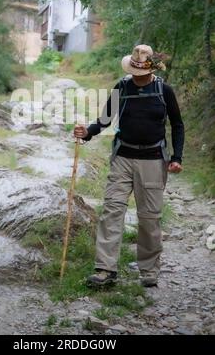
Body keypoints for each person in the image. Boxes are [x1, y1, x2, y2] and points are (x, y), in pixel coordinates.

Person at [74, 44, 184, 287]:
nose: (137, 76)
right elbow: (104, 120)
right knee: (112, 211)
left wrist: (177, 157)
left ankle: (149, 271)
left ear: (151, 68)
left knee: (149, 218)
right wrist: (87, 133)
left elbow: (177, 124)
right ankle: (105, 270)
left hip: (154, 160)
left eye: (141, 72)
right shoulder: (122, 87)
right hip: (123, 157)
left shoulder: (163, 90)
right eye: (134, 71)